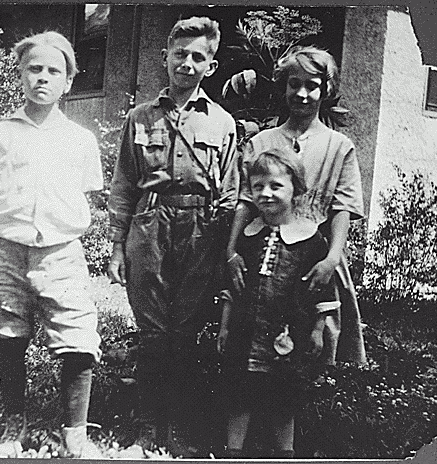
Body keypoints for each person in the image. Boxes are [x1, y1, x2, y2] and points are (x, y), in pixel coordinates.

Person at [0, 31, 103, 459]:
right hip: (5, 251)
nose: (43, 78)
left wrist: (53, 227)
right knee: (11, 336)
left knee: (78, 340)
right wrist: (11, 223)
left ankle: (74, 434)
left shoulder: (80, 139)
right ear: (21, 75)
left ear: (69, 82)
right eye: (34, 69)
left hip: (61, 252)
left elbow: (89, 194)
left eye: (53, 71)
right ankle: (13, 428)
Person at [107, 16, 239, 457]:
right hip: (149, 223)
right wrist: (116, 245)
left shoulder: (222, 123)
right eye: (179, 54)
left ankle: (177, 428)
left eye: (197, 56)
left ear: (211, 65)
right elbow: (125, 182)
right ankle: (146, 426)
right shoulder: (140, 117)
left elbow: (233, 190)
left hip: (202, 228)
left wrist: (226, 248)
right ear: (165, 57)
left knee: (185, 329)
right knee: (152, 330)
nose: (186, 63)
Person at [226, 45, 366, 366]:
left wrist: (332, 259)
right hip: (261, 253)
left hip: (313, 258)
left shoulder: (339, 146)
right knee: (251, 346)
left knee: (309, 351)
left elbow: (342, 208)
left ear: (326, 89)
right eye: (294, 84)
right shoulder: (261, 142)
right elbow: (246, 201)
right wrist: (231, 251)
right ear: (284, 86)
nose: (302, 93)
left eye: (312, 86)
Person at [217, 147, 340, 458]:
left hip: (288, 335)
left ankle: (285, 453)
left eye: (275, 186)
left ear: (295, 189)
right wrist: (224, 326)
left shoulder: (311, 239)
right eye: (258, 186)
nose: (266, 193)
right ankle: (233, 452)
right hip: (245, 332)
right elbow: (233, 287)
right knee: (239, 395)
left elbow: (322, 292)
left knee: (283, 401)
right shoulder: (248, 234)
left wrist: (316, 330)